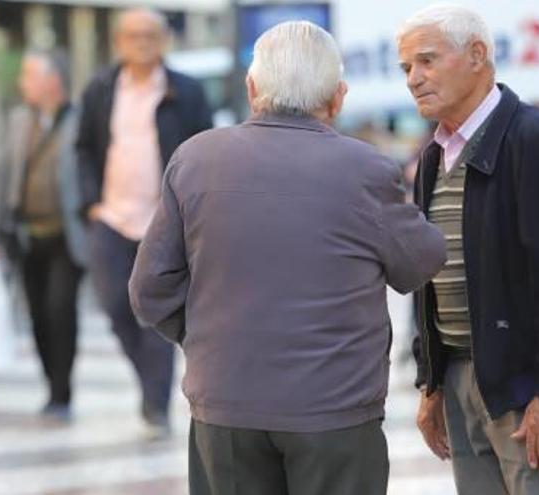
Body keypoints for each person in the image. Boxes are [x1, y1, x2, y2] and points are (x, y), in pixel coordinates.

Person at [129, 21, 446, 494]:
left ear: (252, 88)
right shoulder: (366, 170)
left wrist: (204, 337)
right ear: (337, 97)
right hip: (335, 413)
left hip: (225, 405)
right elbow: (420, 263)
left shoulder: (194, 159)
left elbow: (149, 289)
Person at [398, 5, 539, 493]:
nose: (414, 79)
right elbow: (432, 279)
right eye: (406, 68)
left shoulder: (538, 139)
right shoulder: (433, 158)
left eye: (426, 61)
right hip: (464, 385)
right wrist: (433, 384)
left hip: (531, 388)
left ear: (477, 55)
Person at [76, 8, 212, 437]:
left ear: (163, 41)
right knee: (115, 305)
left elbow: (204, 151)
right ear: (118, 42)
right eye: (134, 35)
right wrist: (90, 203)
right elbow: (82, 149)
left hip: (163, 220)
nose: (142, 42)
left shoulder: (186, 91)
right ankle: (148, 383)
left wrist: (191, 208)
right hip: (112, 217)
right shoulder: (99, 89)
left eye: (151, 35)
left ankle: (155, 404)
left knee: (156, 311)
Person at [0, 50, 87, 423]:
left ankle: (62, 393)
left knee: (61, 310)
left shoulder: (80, 120)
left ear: (52, 81)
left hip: (66, 235)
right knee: (38, 314)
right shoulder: (17, 121)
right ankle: (50, 385)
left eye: (29, 75)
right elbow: (0, 180)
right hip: (26, 236)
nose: (22, 82)